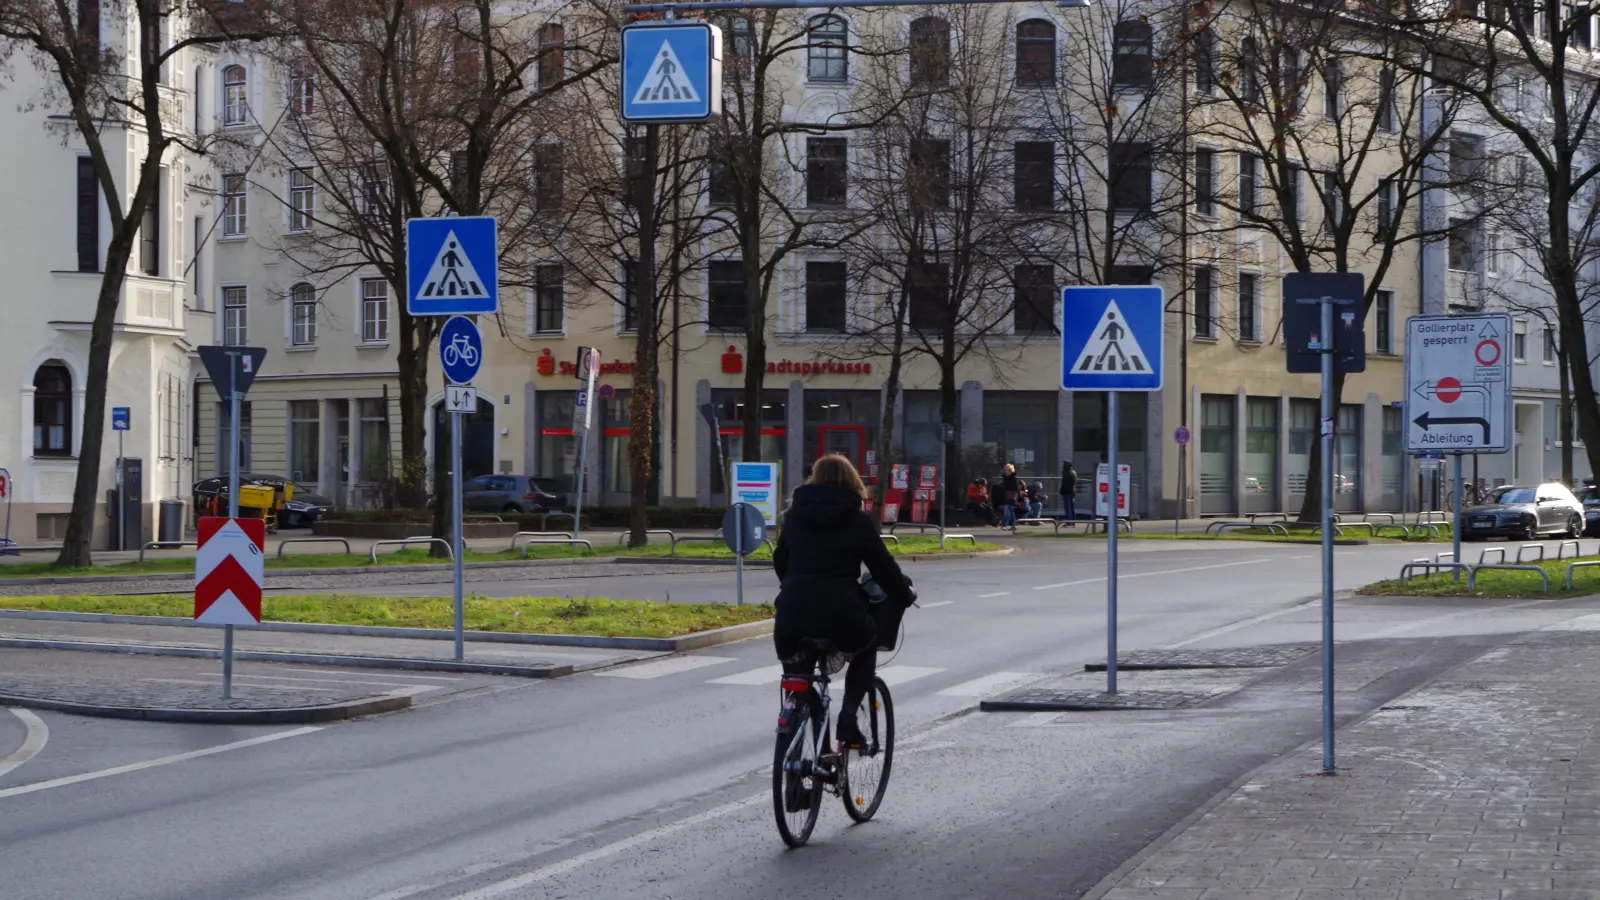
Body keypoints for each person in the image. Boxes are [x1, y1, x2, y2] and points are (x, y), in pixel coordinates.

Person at [773, 454, 916, 748]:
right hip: (841, 614)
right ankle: (848, 719)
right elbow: (884, 570)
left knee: (798, 675)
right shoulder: (857, 520)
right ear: (853, 482)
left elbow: (780, 562)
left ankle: (806, 723)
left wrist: (794, 588)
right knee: (866, 648)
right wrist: (905, 593)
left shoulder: (794, 518)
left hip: (792, 613)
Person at [999, 464, 1021, 528]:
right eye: (1005, 470)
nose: (1006, 472)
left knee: (1011, 510)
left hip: (1013, 495)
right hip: (1006, 495)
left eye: (1007, 470)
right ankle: (1005, 524)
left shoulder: (1014, 478)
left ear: (1011, 471)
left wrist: (1019, 496)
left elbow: (1016, 488)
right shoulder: (1005, 478)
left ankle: (1012, 525)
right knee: (1006, 510)